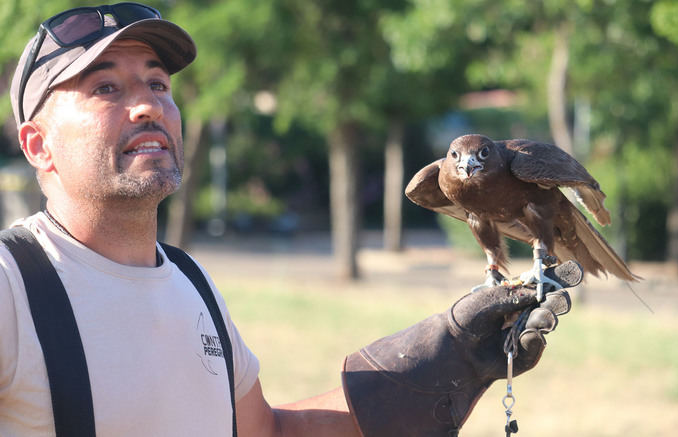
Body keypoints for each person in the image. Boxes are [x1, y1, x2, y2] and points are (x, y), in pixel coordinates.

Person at [0, 3, 575, 436]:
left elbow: (268, 433)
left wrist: (447, 357)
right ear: (37, 146)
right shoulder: (12, 287)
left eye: (157, 83)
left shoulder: (190, 285)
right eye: (106, 87)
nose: (148, 103)